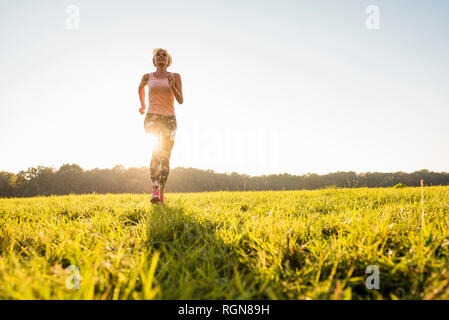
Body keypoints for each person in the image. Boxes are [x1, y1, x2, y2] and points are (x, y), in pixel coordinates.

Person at [138, 48, 184, 204]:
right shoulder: (147, 77)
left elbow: (181, 100)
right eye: (158, 54)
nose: (161, 57)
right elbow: (140, 87)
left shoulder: (175, 76)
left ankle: (161, 193)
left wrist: (172, 86)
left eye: (164, 55)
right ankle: (155, 190)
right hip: (152, 117)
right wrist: (143, 105)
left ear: (168, 60)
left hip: (169, 119)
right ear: (154, 60)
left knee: (165, 157)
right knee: (155, 152)